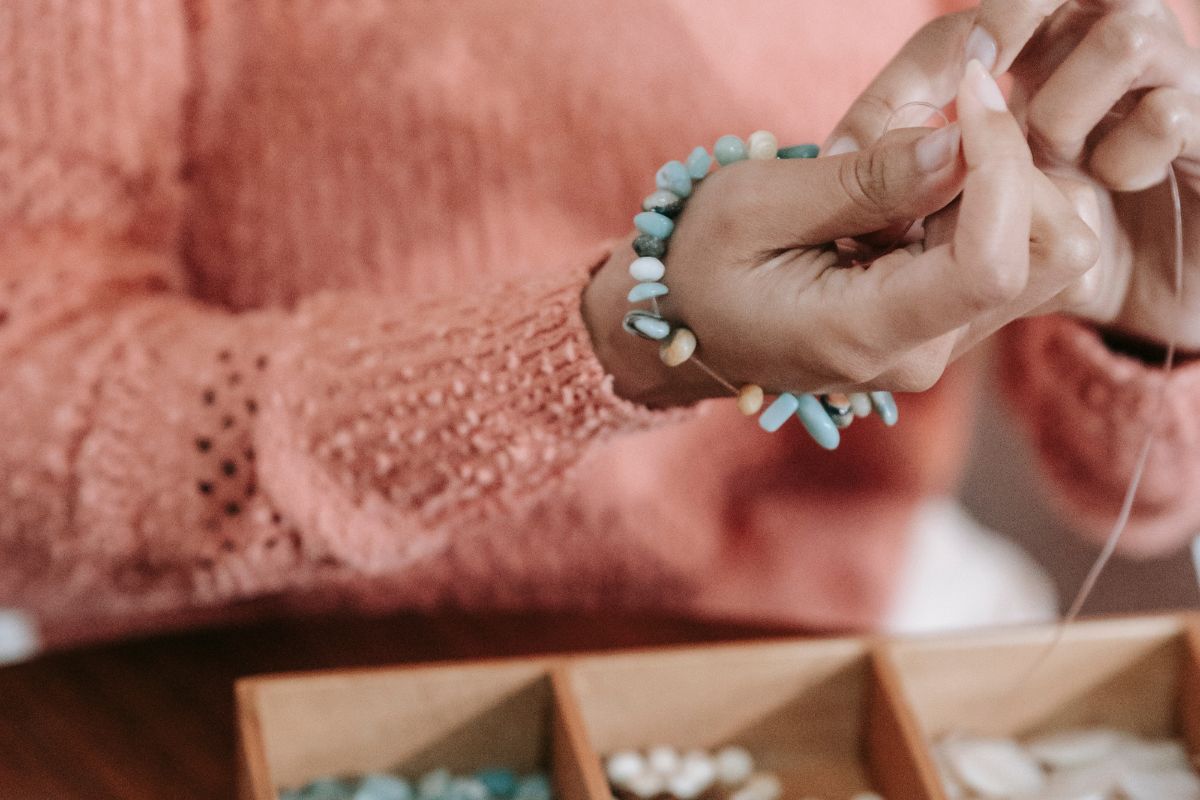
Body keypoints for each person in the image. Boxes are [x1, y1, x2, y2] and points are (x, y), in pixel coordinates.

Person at [1, 0, 1197, 659]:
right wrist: (612, 343)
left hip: (788, 653)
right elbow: (29, 443)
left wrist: (1160, 321)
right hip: (214, 682)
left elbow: (1128, 490)